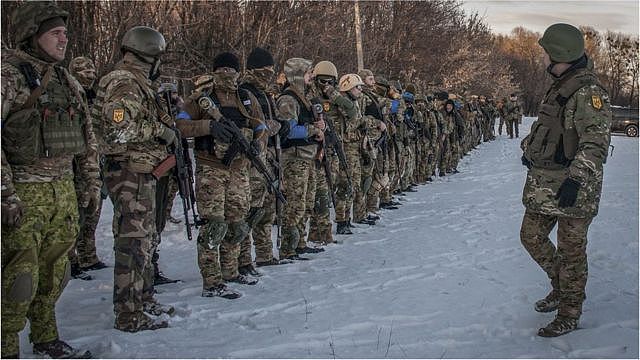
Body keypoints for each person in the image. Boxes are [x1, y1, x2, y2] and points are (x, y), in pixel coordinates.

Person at [1, 2, 100, 357]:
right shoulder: (8, 76)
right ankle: (6, 345)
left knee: (55, 273)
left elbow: (87, 139)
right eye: (56, 34)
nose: (64, 40)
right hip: (23, 195)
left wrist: (91, 183)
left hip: (62, 193)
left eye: (65, 33)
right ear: (33, 35)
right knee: (18, 278)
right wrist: (5, 194)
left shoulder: (66, 80)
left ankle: (46, 338)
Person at [520, 23, 611, 337]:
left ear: (562, 55)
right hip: (546, 182)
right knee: (531, 235)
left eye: (548, 53)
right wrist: (529, 150)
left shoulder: (588, 92)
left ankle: (570, 310)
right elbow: (548, 127)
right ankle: (560, 286)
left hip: (575, 187)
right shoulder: (561, 83)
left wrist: (576, 180)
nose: (545, 57)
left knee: (571, 251)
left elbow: (595, 143)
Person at [95, 25, 173, 332]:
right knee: (133, 243)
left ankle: (143, 299)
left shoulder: (137, 82)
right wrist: (158, 131)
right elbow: (117, 128)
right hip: (128, 172)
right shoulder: (125, 82)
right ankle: (128, 313)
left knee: (144, 239)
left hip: (140, 172)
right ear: (149, 55)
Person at [176, 52, 267, 295]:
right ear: (214, 72)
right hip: (211, 171)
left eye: (231, 69)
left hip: (240, 171)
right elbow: (181, 125)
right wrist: (208, 127)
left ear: (239, 72)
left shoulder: (246, 99)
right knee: (214, 227)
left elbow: (261, 126)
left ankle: (231, 271)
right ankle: (212, 281)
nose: (227, 74)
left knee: (237, 225)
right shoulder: (201, 99)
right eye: (222, 69)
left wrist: (258, 143)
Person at [68, 56, 108, 280]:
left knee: (93, 212)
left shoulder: (94, 97)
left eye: (92, 74)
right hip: (76, 165)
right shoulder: (70, 96)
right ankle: (71, 261)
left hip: (96, 162)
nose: (90, 78)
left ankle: (88, 256)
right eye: (85, 74)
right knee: (76, 215)